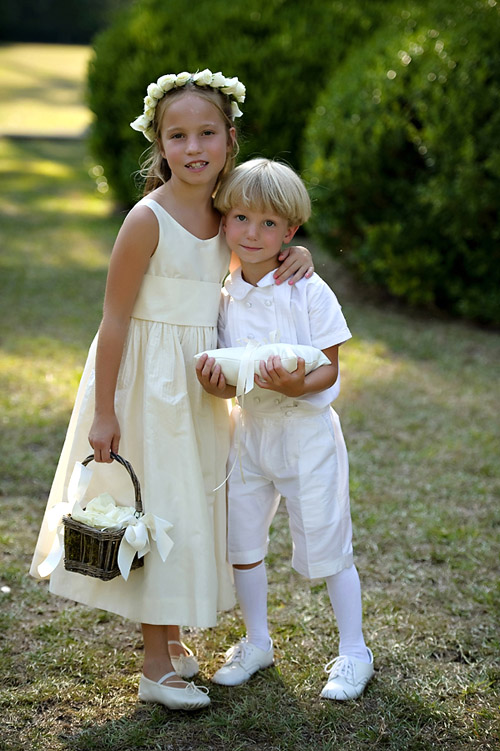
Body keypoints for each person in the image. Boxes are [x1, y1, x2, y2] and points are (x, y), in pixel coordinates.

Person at [29, 72, 314, 711]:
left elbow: (259, 253)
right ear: (159, 144)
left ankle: (174, 642)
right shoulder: (147, 218)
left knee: (186, 507)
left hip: (200, 384)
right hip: (144, 385)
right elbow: (114, 318)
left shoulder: (227, 214)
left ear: (229, 139)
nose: (193, 148)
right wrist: (104, 412)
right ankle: (156, 665)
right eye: (177, 135)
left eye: (206, 133)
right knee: (154, 506)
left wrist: (300, 260)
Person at [196, 158, 374, 701]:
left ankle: (353, 651)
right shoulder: (223, 293)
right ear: (224, 221)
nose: (253, 233)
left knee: (328, 543)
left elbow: (330, 366)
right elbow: (229, 377)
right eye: (242, 218)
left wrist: (296, 386)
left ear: (290, 232)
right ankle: (256, 641)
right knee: (242, 543)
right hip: (248, 433)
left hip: (307, 434)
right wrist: (216, 385)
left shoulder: (308, 288)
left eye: (269, 224)